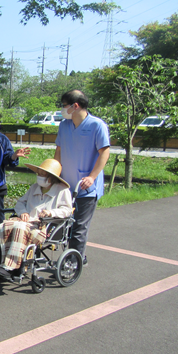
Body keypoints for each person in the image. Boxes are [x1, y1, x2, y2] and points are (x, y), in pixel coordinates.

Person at [0, 159, 72, 283]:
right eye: (38, 173)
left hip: (43, 226)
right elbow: (20, 203)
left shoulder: (62, 191)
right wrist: (23, 212)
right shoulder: (34, 187)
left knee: (20, 228)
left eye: (42, 174)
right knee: (8, 224)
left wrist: (51, 212)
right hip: (26, 222)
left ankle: (10, 267)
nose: (39, 176)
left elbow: (67, 210)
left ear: (51, 177)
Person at [54, 90, 110, 265]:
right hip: (65, 185)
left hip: (85, 186)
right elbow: (59, 151)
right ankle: (77, 255)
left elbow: (104, 152)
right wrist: (54, 175)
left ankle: (73, 262)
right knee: (64, 224)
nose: (63, 110)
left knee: (79, 227)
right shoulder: (64, 125)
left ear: (75, 106)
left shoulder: (97, 125)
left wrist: (92, 177)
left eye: (64, 106)